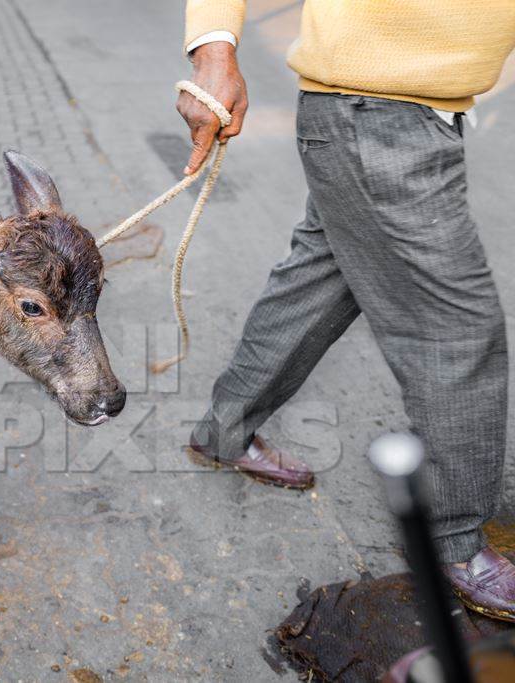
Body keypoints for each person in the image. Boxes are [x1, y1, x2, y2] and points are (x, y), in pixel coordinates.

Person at [178, 0, 515, 621]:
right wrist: (214, 48)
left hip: (388, 116)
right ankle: (455, 542)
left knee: (318, 283)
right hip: (380, 119)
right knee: (458, 332)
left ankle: (223, 433)